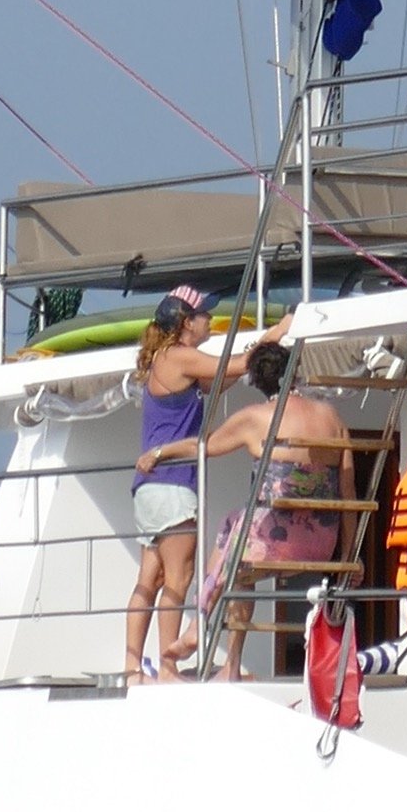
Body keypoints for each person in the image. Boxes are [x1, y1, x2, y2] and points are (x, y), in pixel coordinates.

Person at [198, 331, 356, 680]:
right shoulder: (331, 417)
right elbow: (348, 494)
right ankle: (207, 618)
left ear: (256, 381)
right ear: (294, 373)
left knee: (236, 540)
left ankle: (214, 634)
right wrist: (346, 558)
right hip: (321, 544)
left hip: (274, 542)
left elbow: (203, 447)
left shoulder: (255, 417)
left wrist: (159, 453)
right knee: (234, 525)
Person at [122, 287, 231, 680]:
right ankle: (168, 666)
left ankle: (133, 665)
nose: (209, 321)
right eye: (204, 315)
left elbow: (216, 383)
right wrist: (272, 339)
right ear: (187, 323)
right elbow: (231, 368)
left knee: (148, 580)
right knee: (178, 579)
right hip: (172, 486)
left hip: (149, 489)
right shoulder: (181, 357)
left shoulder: (163, 361)